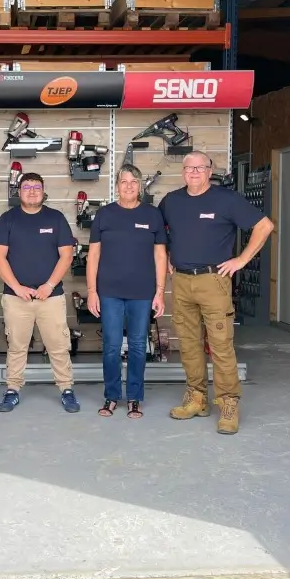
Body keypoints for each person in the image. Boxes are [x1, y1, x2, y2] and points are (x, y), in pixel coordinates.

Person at [159, 151, 274, 435]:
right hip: (182, 282)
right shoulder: (171, 202)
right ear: (183, 171)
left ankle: (228, 403)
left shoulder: (227, 200)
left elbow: (264, 226)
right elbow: (160, 235)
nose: (195, 172)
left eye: (201, 167)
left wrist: (241, 260)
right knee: (188, 343)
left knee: (221, 346)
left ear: (210, 171)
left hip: (214, 280)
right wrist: (170, 256)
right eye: (189, 168)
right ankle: (196, 398)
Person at [0, 172, 79, 413]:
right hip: (15, 297)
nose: (31, 191)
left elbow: (67, 255)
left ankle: (66, 389)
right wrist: (17, 287)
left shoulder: (56, 218)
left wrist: (49, 285)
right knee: (17, 347)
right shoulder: (7, 220)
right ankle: (12, 390)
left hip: (50, 297)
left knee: (58, 346)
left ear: (43, 190)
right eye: (26, 187)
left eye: (36, 187)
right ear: (19, 192)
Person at [86, 164, 167, 420]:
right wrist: (91, 291)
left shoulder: (153, 215)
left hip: (142, 292)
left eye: (134, 181)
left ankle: (134, 398)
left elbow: (160, 255)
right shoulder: (105, 215)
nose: (129, 186)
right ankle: (111, 396)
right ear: (117, 185)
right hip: (109, 291)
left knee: (137, 346)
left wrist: (160, 292)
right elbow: (94, 255)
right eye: (124, 181)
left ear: (140, 185)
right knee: (110, 346)